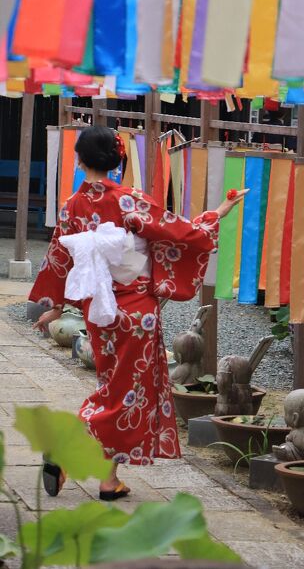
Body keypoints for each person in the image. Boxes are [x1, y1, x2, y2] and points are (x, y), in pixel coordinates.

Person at [29, 126, 247, 501]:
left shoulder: (72, 206)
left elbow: (59, 259)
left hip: (99, 310)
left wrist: (55, 307)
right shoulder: (129, 199)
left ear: (79, 160)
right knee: (126, 394)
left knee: (118, 388)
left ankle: (109, 480)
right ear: (117, 160)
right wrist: (218, 214)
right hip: (134, 310)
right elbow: (180, 233)